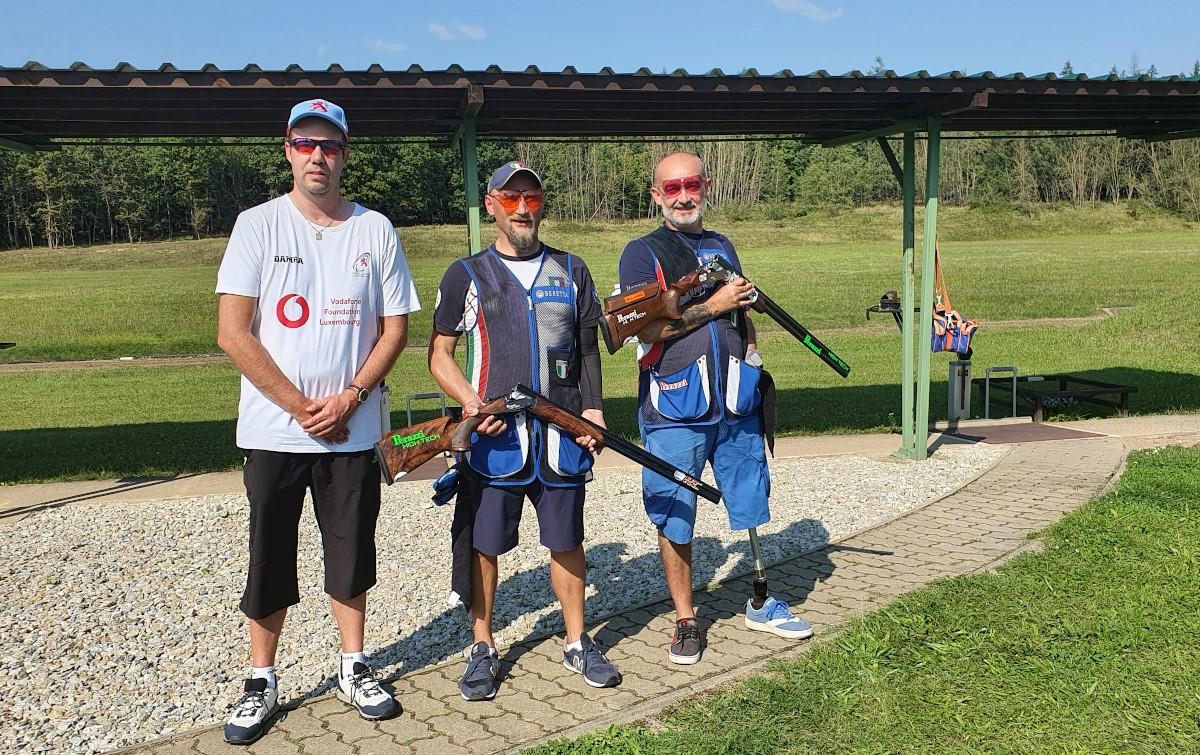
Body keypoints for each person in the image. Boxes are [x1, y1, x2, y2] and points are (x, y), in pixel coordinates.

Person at [215, 98, 419, 744]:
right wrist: (299, 404)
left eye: (329, 146)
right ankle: (260, 677)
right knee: (269, 553)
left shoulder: (375, 229)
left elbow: (395, 329)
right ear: (287, 150)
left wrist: (352, 396)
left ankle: (353, 664)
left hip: (352, 429)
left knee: (351, 551)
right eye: (305, 144)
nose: (317, 156)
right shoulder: (257, 225)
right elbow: (233, 332)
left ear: (345, 155)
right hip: (275, 430)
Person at [428, 161, 622, 701]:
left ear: (541, 204)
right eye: (510, 199)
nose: (522, 209)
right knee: (485, 546)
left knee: (567, 542)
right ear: (490, 203)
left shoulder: (571, 268)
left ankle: (577, 641)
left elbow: (586, 349)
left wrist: (595, 412)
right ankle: (483, 646)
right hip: (495, 438)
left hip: (561, 434)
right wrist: (469, 403)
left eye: (531, 199)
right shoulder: (466, 274)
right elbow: (439, 355)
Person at [616, 152, 813, 667]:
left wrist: (750, 352)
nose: (684, 195)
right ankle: (686, 620)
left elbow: (743, 310)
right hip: (675, 406)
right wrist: (713, 305)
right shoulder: (642, 254)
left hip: (734, 402)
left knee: (748, 497)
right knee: (674, 511)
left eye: (692, 184)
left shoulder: (722, 244)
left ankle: (760, 596)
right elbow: (644, 329)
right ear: (656, 195)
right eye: (672, 186)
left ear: (705, 187)